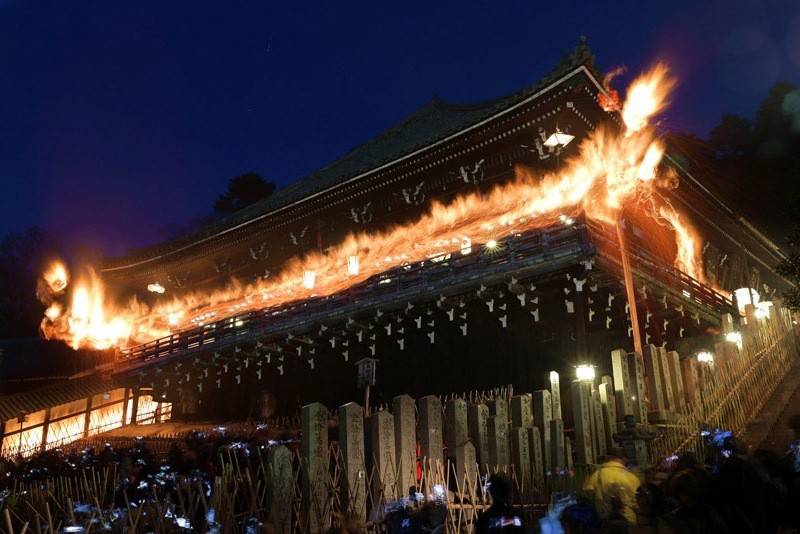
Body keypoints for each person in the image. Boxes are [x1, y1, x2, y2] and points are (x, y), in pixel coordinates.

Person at [581, 454, 641, 526]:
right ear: (622, 462)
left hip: (605, 520)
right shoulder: (632, 477)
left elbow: (587, 495)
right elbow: (638, 502)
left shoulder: (596, 475)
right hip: (629, 521)